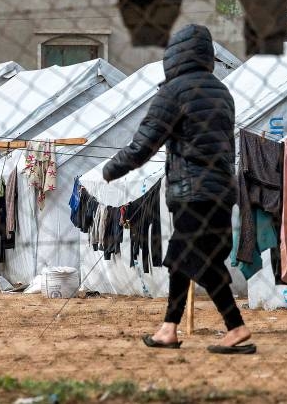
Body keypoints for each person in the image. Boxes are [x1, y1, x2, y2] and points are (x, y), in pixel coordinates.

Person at [103, 24, 255, 354]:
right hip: (221, 192)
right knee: (186, 260)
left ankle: (235, 327)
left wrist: (113, 169)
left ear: (174, 55)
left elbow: (145, 142)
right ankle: (169, 329)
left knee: (195, 260)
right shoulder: (221, 91)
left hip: (191, 193)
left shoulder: (174, 92)